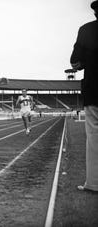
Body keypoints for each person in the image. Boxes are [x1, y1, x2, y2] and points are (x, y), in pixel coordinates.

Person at [71, 0, 98, 192]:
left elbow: (75, 62)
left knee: (94, 139)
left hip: (94, 90)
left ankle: (94, 183)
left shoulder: (86, 30)